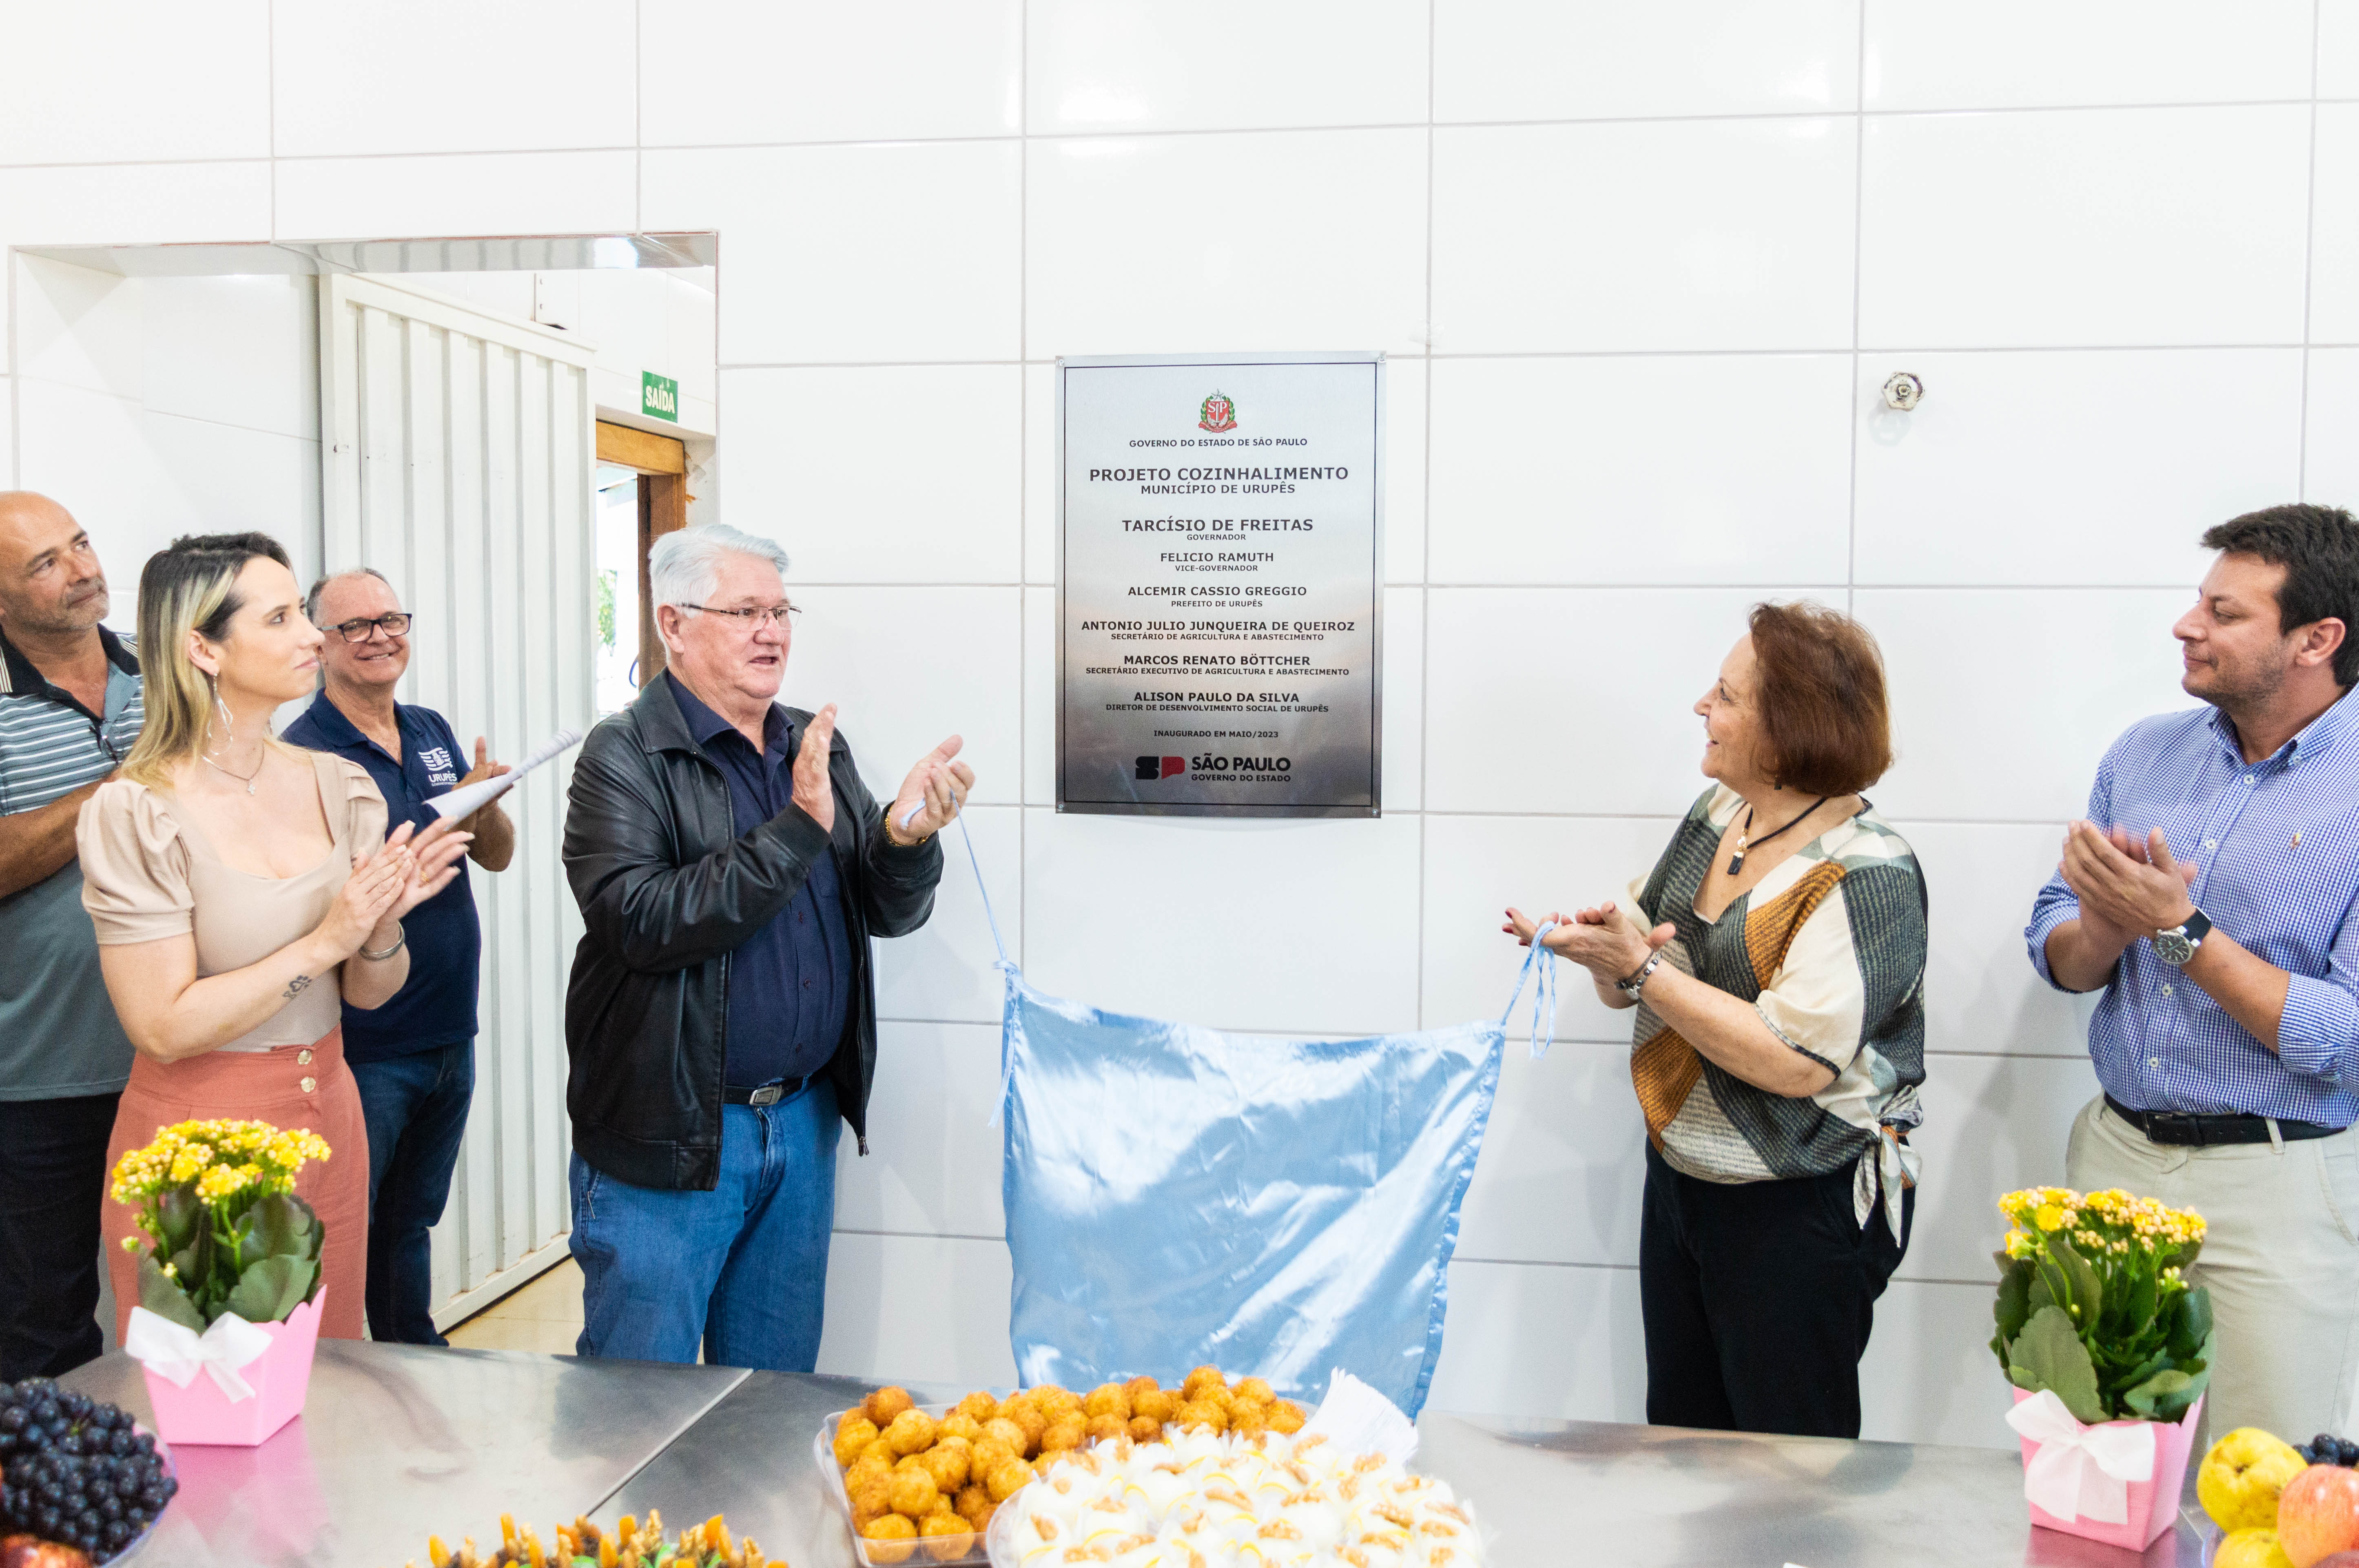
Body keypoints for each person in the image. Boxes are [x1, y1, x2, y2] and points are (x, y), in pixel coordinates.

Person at [1504, 601, 1926, 1438]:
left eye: (1727, 695)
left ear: (1785, 731)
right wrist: (1599, 955)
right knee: (1685, 1448)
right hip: (1684, 1184)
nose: (1703, 705)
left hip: (1799, 1205)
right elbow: (1642, 968)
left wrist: (1642, 970)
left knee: (1790, 1472)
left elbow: (1796, 1062)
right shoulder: (1714, 820)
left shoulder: (1868, 874)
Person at [562, 523, 972, 1371]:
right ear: (674, 624)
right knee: (640, 1406)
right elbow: (640, 920)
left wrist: (904, 838)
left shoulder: (807, 743)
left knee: (771, 1408)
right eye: (746, 610)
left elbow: (883, 912)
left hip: (800, 1123)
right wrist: (795, 832)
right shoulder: (624, 755)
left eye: (781, 611)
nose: (772, 631)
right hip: (672, 1141)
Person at [76, 533, 470, 1342]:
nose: (312, 637)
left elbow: (367, 989)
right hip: (200, 1141)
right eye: (284, 617)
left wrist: (384, 920)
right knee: (212, 1398)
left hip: (330, 1108)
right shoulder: (136, 810)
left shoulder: (337, 782)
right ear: (202, 648)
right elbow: (161, 1025)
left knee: (332, 1372)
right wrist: (332, 935)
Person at [2027, 503, 2359, 1441]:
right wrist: (2105, 922)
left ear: (2316, 640)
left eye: (2225, 612)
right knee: (2093, 1467)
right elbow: (2058, 948)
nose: (2188, 625)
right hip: (2117, 1156)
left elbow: (2347, 1041)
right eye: (2198, 603)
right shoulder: (2143, 753)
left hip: (2284, 1187)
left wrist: (2178, 930)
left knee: (2271, 1488)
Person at [281, 568, 514, 1346]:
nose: (381, 635)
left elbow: (496, 857)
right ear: (319, 644)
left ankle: (410, 1355)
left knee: (411, 1217)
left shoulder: (430, 729)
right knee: (349, 1220)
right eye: (356, 626)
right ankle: (342, 1378)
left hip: (451, 1027)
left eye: (391, 618)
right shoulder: (303, 756)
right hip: (367, 1042)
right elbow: (313, 904)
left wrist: (485, 800)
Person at [0, 493, 142, 1380]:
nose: (83, 570)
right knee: (42, 1328)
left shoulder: (167, 673)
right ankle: (50, 1516)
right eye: (43, 564)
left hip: (175, 1055)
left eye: (80, 544)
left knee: (190, 1310)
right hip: (35, 1080)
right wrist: (119, 789)